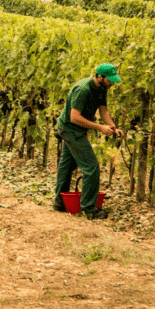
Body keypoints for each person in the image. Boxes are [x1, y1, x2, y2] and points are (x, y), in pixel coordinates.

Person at [53, 63, 124, 220]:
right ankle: (89, 209)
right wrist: (100, 127)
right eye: (110, 80)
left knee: (68, 165)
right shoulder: (83, 89)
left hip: (76, 130)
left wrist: (112, 127)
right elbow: (74, 117)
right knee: (91, 167)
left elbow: (103, 110)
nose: (112, 83)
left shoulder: (102, 89)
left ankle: (59, 202)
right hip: (70, 129)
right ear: (99, 77)